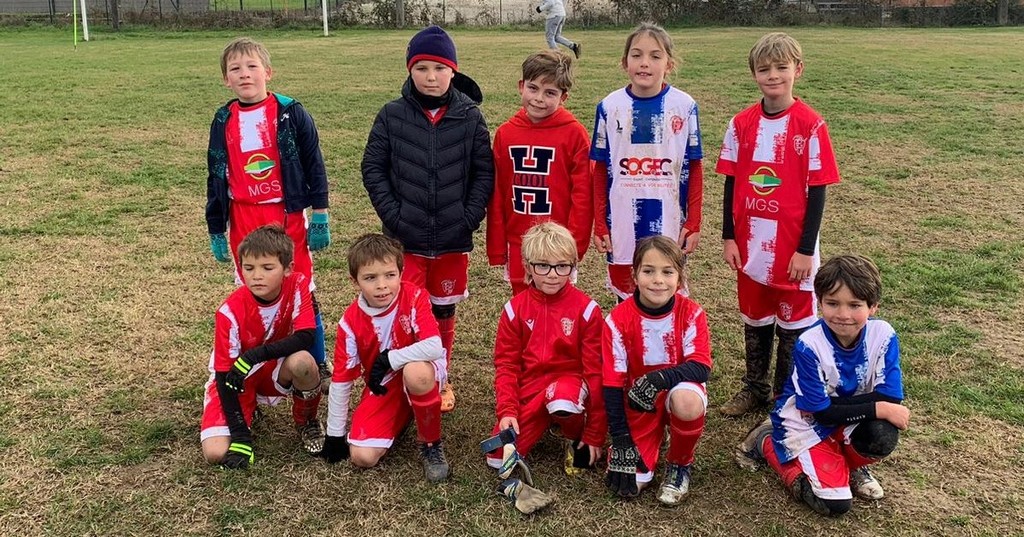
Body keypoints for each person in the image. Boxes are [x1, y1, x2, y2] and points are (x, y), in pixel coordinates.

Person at [361, 25, 494, 414]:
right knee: (405, 309)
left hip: (453, 237)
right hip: (406, 239)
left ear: (453, 71)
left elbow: (483, 172)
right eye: (421, 68)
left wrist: (469, 217)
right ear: (409, 70)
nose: (431, 77)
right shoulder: (392, 115)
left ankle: (440, 373)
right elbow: (373, 167)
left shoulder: (470, 117)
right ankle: (401, 373)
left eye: (439, 68)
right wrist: (393, 215)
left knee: (442, 309)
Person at [205, 37, 333, 440]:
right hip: (244, 213)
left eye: (252, 67)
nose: (244, 75)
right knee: (254, 289)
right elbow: (215, 172)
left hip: (285, 211)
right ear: (226, 79)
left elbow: (313, 162)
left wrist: (319, 212)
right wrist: (216, 225)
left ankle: (316, 363)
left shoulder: (290, 112)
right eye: (235, 69)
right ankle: (254, 371)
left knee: (301, 288)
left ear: (268, 73)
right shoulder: (222, 119)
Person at [717, 32, 841, 417]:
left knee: (793, 324)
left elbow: (817, 191)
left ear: (797, 70)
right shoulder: (741, 124)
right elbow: (731, 182)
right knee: (755, 317)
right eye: (764, 69)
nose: (773, 75)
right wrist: (729, 237)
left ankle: (784, 396)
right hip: (751, 245)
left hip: (792, 248)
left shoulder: (811, 125)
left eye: (781, 67)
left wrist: (805, 249)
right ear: (753, 73)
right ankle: (754, 387)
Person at [735, 254, 910, 516]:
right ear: (819, 302)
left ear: (873, 306)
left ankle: (849, 464)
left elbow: (890, 397)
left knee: (882, 435)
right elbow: (822, 413)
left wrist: (875, 408)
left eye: (855, 305)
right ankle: (767, 441)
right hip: (806, 422)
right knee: (835, 505)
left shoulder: (883, 335)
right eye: (832, 303)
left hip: (841, 415)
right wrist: (878, 408)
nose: (843, 315)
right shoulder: (809, 344)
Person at [486, 223, 605, 499]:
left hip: (569, 385)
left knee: (562, 401)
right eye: (543, 266)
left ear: (573, 267)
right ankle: (548, 419)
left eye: (562, 266)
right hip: (532, 388)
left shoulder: (587, 310)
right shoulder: (514, 309)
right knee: (496, 458)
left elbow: (596, 373)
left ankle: (573, 434)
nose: (552, 274)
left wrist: (595, 434)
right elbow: (507, 366)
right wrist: (507, 412)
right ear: (528, 267)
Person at [321, 234, 450, 483]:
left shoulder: (415, 297)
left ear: (401, 273)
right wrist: (334, 435)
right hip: (383, 385)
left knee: (415, 373)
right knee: (362, 457)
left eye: (390, 275)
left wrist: (391, 358)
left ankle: (431, 444)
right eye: (370, 278)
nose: (382, 285)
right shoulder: (349, 322)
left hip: (423, 370)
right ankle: (407, 411)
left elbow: (434, 346)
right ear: (354, 281)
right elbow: (341, 380)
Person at [590, 22, 704, 301]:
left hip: (669, 222)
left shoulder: (684, 106)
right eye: (636, 55)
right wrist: (600, 224)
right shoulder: (609, 106)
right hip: (621, 222)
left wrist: (694, 222)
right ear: (624, 62)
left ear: (669, 64)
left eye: (655, 56)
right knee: (627, 296)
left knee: (663, 289)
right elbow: (600, 170)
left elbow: (695, 168)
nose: (644, 63)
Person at [199, 225, 324, 468]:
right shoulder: (229, 311)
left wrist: (254, 356)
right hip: (236, 378)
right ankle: (248, 410)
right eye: (249, 268)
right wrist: (240, 437)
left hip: (271, 366)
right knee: (215, 454)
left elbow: (306, 336)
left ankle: (307, 421)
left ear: (287, 268)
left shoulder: (298, 284)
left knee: (303, 362)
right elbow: (224, 374)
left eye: (267, 268)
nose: (257, 276)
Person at [602, 235, 712, 506]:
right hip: (639, 401)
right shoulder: (617, 320)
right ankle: (652, 435)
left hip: (677, 389)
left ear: (680, 278)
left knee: (687, 402)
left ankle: (679, 464)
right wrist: (621, 437)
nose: (658, 280)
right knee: (632, 484)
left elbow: (701, 367)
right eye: (648, 271)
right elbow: (612, 383)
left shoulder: (692, 313)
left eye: (667, 272)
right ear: (634, 275)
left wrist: (660, 378)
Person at [487, 50, 592, 296]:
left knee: (558, 303)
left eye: (550, 93)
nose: (539, 99)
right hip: (518, 239)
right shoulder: (505, 134)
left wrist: (574, 245)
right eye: (533, 88)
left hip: (557, 243)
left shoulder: (574, 134)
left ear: (563, 97)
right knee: (523, 301)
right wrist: (497, 246)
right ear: (521, 86)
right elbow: (497, 193)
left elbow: (583, 195)